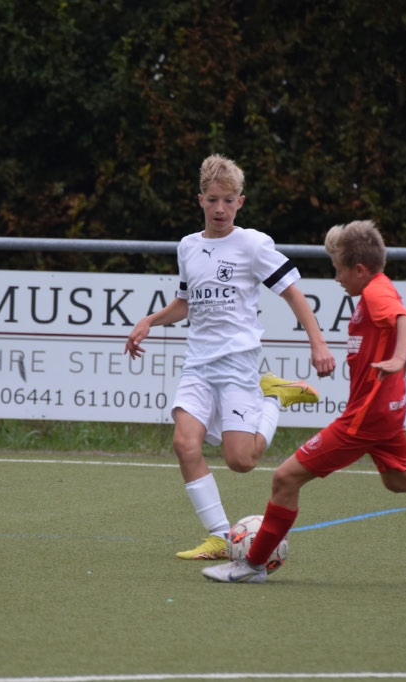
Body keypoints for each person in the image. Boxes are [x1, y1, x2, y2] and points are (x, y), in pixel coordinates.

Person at [201, 219, 406, 583]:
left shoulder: (376, 294)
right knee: (400, 479)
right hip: (388, 411)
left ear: (360, 269)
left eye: (339, 270)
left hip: (366, 416)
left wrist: (399, 358)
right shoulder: (375, 289)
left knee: (285, 478)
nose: (336, 278)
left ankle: (251, 565)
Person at [124, 154, 336, 560]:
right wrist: (150, 320)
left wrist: (318, 344)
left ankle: (274, 396)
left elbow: (293, 293)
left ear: (240, 202)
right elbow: (184, 303)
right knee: (185, 443)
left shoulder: (253, 244)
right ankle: (220, 537)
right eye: (212, 200)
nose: (220, 209)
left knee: (242, 461)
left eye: (228, 200)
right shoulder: (188, 246)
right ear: (200, 200)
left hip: (239, 366)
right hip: (198, 365)